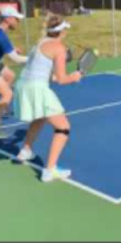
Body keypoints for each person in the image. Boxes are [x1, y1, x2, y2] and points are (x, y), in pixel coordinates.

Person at [14, 15, 82, 182]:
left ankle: (26, 150)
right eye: (65, 29)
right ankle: (49, 170)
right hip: (37, 88)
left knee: (40, 117)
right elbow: (62, 79)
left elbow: (37, 67)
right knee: (63, 127)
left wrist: (51, 77)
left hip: (23, 85)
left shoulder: (39, 42)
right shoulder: (59, 48)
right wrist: (75, 76)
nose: (66, 31)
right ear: (62, 31)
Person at [0, 6, 28, 138]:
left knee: (10, 76)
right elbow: (17, 60)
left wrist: (12, 49)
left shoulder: (2, 33)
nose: (18, 21)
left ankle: (2, 111)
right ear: (8, 19)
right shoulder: (1, 36)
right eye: (16, 18)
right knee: (8, 95)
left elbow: (6, 48)